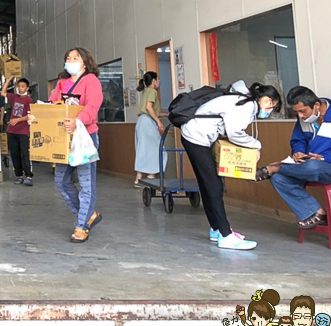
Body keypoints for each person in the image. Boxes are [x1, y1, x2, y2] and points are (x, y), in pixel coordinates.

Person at [179, 80, 281, 250]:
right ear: (268, 100)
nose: (269, 111)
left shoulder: (240, 98)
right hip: (197, 137)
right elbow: (235, 133)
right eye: (272, 107)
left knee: (208, 185)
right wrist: (256, 145)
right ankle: (226, 236)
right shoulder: (247, 105)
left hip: (193, 134)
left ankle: (217, 229)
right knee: (214, 186)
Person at [251, 86, 331, 229]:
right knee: (279, 180)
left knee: (312, 166)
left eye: (302, 111)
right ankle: (316, 212)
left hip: (323, 166)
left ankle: (276, 168)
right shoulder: (305, 119)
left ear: (316, 105)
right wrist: (298, 152)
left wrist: (324, 158)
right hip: (308, 167)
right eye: (296, 112)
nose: (300, 116)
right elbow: (298, 140)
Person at [48, 47, 104, 243]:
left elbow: (93, 106)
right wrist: (38, 117)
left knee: (86, 182)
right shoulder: (61, 83)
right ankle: (88, 215)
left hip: (85, 138)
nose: (71, 60)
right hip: (64, 139)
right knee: (61, 181)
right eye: (68, 57)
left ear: (85, 61)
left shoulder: (91, 81)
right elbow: (52, 106)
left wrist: (77, 121)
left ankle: (81, 226)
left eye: (75, 57)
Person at [134, 71, 165, 187]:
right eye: (157, 79)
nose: (158, 82)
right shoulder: (152, 91)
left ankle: (138, 178)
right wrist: (158, 122)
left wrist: (165, 115)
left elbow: (152, 111)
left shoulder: (146, 91)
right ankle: (151, 176)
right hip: (148, 122)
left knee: (142, 149)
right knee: (158, 148)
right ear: (153, 81)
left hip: (141, 121)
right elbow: (149, 108)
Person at [1, 77, 34, 186]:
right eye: (19, 86)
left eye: (23, 86)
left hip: (23, 130)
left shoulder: (29, 100)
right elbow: (3, 93)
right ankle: (18, 175)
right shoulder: (14, 97)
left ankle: (28, 175)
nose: (20, 88)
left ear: (27, 88)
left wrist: (17, 120)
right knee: (14, 153)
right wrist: (8, 81)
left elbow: (31, 115)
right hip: (12, 130)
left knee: (24, 153)